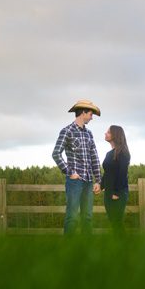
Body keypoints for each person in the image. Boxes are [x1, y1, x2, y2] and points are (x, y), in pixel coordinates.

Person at [52, 99, 102, 235]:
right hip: (74, 181)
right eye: (91, 114)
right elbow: (56, 154)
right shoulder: (67, 131)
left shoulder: (89, 134)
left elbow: (94, 157)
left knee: (88, 217)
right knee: (72, 217)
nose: (92, 118)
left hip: (88, 181)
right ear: (83, 112)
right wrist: (69, 172)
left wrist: (98, 180)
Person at [100, 125, 131, 235]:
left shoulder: (123, 153)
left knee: (117, 222)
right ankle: (117, 248)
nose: (105, 133)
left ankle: (123, 249)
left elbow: (123, 174)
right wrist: (100, 186)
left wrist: (116, 193)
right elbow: (107, 173)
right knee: (113, 222)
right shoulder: (109, 154)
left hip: (118, 193)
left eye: (108, 132)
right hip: (108, 193)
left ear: (115, 135)